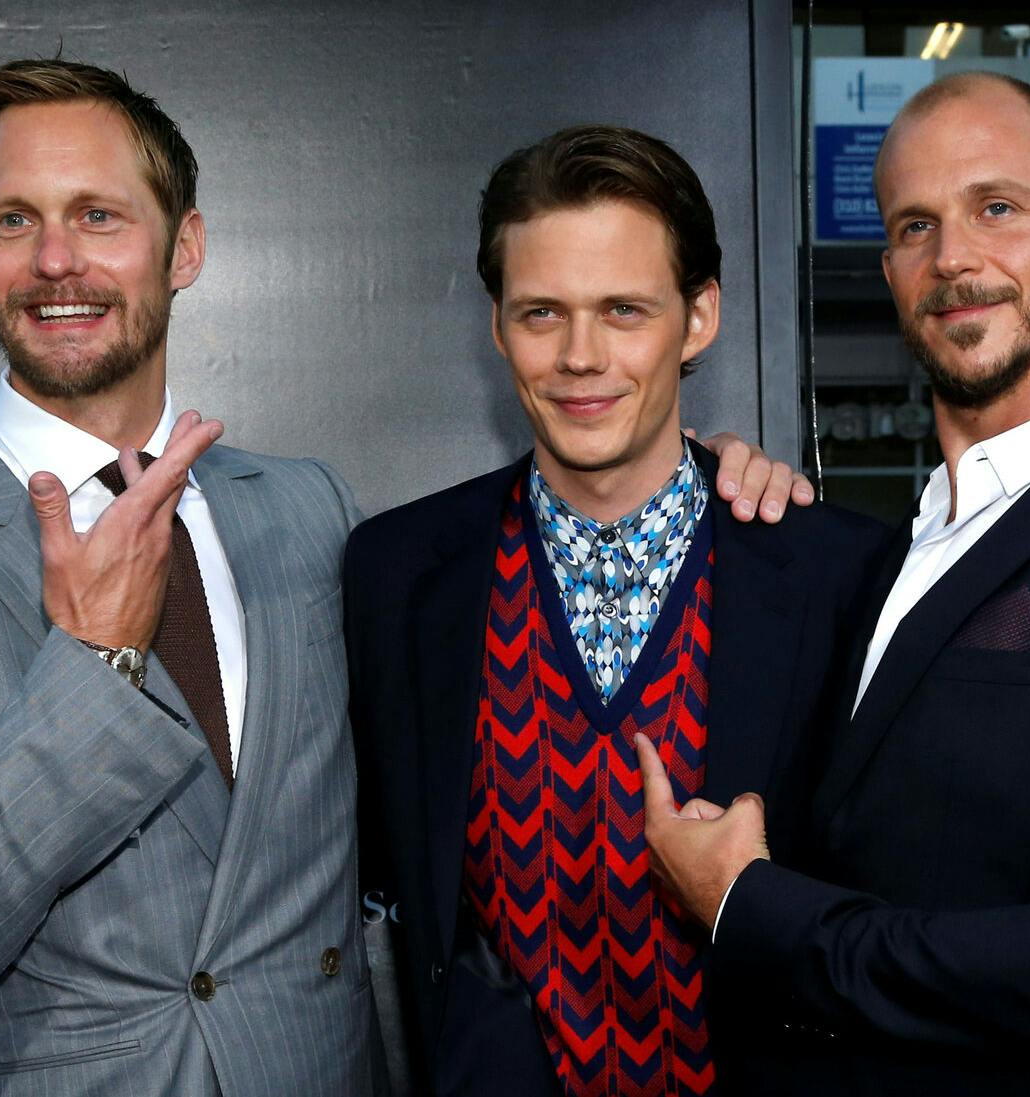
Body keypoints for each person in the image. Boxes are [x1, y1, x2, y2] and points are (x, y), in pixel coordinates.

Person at [0, 59, 801, 1096]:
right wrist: (93, 669)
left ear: (184, 246)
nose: (56, 259)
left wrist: (693, 476)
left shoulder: (310, 514)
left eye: (99, 215)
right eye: (12, 222)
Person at [637, 72, 1030, 1096]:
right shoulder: (903, 543)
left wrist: (752, 907)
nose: (953, 257)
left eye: (997, 207)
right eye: (912, 226)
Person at [346, 125, 888, 1097]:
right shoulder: (398, 574)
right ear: (498, 325)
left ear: (699, 316)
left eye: (624, 310)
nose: (580, 356)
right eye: (542, 312)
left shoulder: (837, 575)